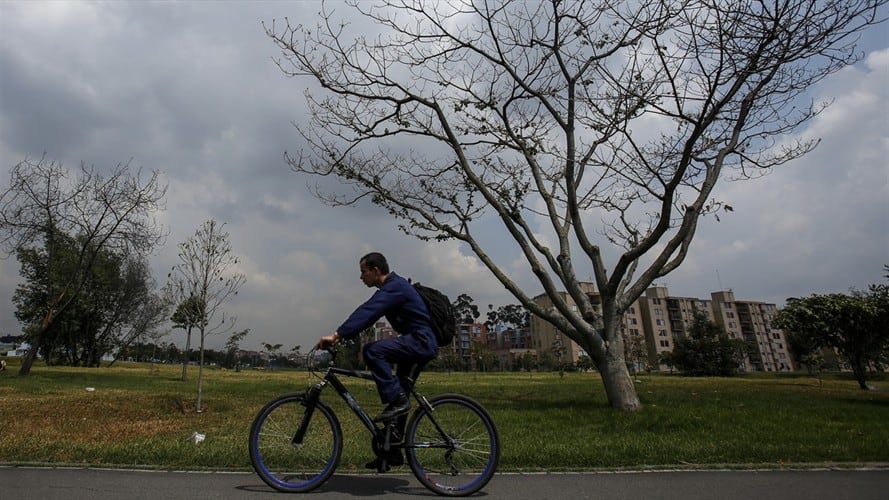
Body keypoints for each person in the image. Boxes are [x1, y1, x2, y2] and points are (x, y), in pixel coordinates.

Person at [316, 252, 438, 424]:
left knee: (372, 351)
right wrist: (343, 336)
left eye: (363, 272)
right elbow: (369, 316)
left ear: (375, 270)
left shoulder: (395, 287)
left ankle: (398, 401)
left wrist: (338, 334)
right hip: (416, 341)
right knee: (399, 399)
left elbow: (369, 311)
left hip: (421, 341)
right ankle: (393, 445)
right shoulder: (391, 287)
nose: (361, 277)